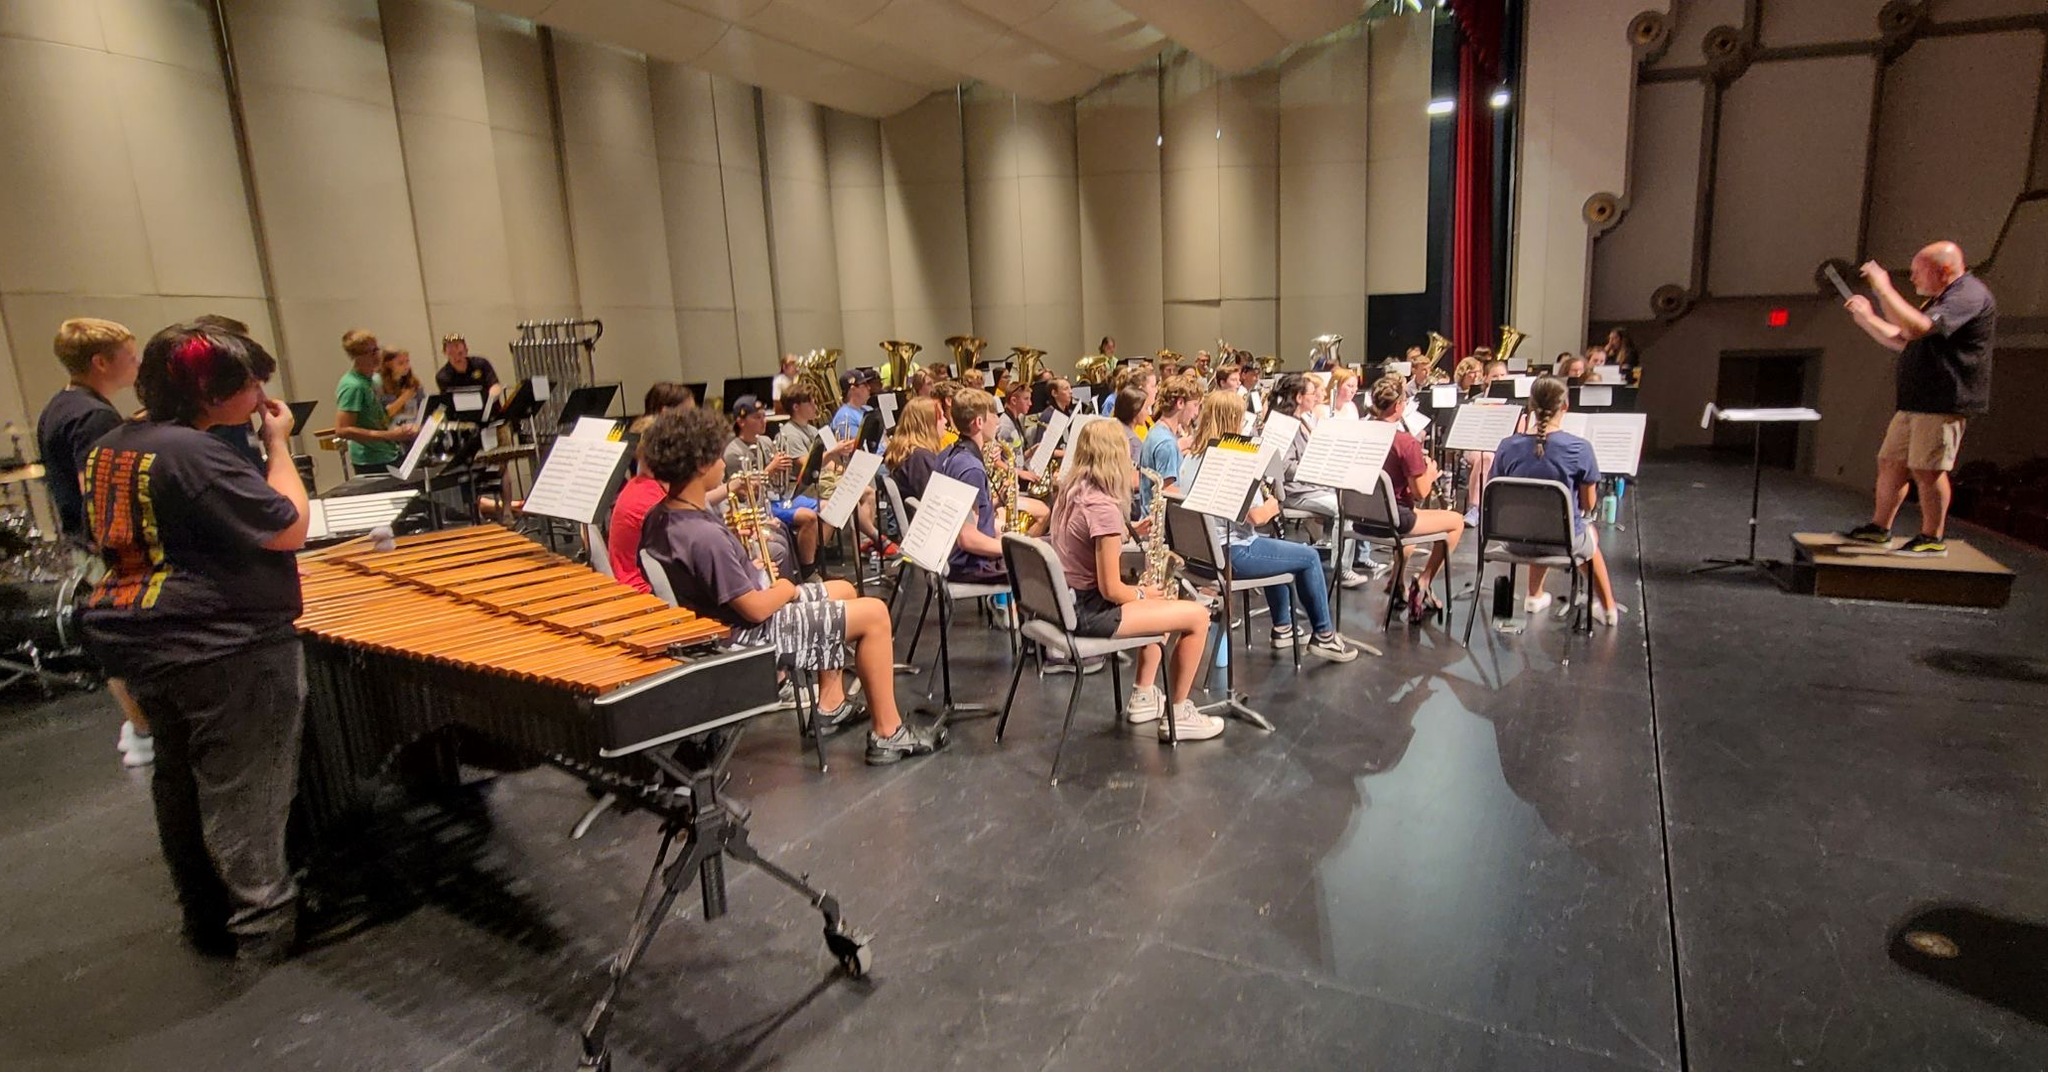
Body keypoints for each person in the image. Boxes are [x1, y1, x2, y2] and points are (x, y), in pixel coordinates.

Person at [81, 321, 311, 963]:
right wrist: (277, 446)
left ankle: (205, 918)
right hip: (224, 644)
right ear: (209, 393)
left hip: (148, 638)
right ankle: (265, 925)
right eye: (250, 382)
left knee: (180, 785)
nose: (262, 390)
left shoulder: (112, 445)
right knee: (248, 792)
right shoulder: (194, 453)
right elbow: (288, 527)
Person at [638, 408, 945, 765]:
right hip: (746, 633)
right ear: (702, 465)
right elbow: (754, 608)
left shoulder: (661, 515)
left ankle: (831, 704)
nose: (724, 463)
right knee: (875, 614)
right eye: (718, 455)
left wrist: (745, 570)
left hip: (722, 620)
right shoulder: (703, 535)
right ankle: (888, 732)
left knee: (843, 590)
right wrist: (785, 587)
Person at [1049, 419, 1221, 741]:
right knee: (1198, 616)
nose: (1132, 461)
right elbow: (1111, 589)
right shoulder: (1103, 508)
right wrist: (1141, 594)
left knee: (1164, 600)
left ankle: (1144, 695)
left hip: (1069, 602)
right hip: (1091, 611)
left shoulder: (1071, 492)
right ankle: (1179, 714)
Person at [38, 318, 154, 767]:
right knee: (126, 642)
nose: (137, 362)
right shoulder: (93, 416)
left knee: (115, 640)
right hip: (106, 546)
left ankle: (140, 729)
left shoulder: (60, 406)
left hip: (83, 544)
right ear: (101, 362)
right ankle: (146, 731)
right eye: (130, 355)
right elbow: (99, 486)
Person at [1843, 241, 1996, 557]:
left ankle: (1931, 535)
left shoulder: (1967, 295)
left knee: (1928, 469)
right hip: (1917, 400)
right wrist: (1866, 318)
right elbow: (1904, 339)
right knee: (1891, 462)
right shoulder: (1940, 299)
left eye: (1917, 272)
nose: (1912, 279)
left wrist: (1883, 288)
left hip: (1942, 401)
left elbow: (1914, 329)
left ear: (1944, 270)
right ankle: (1879, 527)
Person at [1182, 391, 1356, 662]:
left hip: (1200, 558)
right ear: (1233, 420)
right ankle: (1324, 635)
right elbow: (1256, 517)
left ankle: (1284, 628)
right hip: (1232, 554)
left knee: (1279, 551)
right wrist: (1273, 503)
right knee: (1308, 557)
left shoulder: (1190, 458)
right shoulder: (1234, 456)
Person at [1490, 376, 1621, 625]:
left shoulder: (1507, 446)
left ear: (1530, 406)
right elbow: (1588, 505)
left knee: (1537, 524)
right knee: (1589, 535)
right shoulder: (1580, 448)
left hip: (1514, 541)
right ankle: (1608, 609)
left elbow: (1493, 492)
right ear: (1565, 407)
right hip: (1561, 543)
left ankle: (1534, 595)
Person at [1362, 375, 1464, 622]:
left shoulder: (1361, 433)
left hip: (1361, 517)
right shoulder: (1405, 442)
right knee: (1456, 521)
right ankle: (1425, 581)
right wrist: (1429, 472)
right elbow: (1421, 493)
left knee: (1408, 536)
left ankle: (1396, 583)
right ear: (1398, 406)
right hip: (1394, 519)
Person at [1262, 373, 1375, 589]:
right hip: (1295, 492)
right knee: (1345, 508)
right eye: (1312, 394)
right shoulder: (1285, 425)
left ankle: (1330, 551)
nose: (1316, 397)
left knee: (1350, 497)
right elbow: (1284, 468)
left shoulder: (1304, 419)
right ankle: (1342, 570)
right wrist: (1317, 470)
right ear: (1298, 397)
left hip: (1309, 486)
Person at [725, 396, 821, 578]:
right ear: (741, 421)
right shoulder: (734, 452)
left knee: (825, 507)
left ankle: (810, 565)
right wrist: (771, 469)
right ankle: (806, 573)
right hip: (756, 508)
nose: (764, 421)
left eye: (764, 416)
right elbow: (745, 493)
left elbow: (776, 482)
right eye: (757, 417)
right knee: (807, 518)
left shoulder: (765, 442)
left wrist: (782, 469)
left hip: (777, 498)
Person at [333, 329, 414, 475]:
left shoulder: (372, 380)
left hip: (387, 453)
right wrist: (390, 435)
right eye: (373, 351)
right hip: (371, 460)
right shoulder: (353, 385)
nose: (378, 354)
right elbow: (342, 429)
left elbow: (377, 417)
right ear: (359, 356)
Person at [1139, 373, 1202, 505]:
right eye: (1195, 405)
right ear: (1180, 403)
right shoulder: (1167, 443)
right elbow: (1167, 490)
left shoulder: (1156, 430)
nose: (1196, 413)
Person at [883, 396, 946, 502]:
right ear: (928, 424)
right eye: (941, 417)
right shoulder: (920, 458)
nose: (945, 421)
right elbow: (932, 501)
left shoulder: (907, 451)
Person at [434, 332, 501, 404]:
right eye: (451, 354)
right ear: (445, 353)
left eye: (460, 353)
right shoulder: (442, 376)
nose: (456, 358)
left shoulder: (481, 364)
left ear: (466, 350)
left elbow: (495, 386)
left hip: (489, 409)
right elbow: (447, 401)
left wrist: (490, 400)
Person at [379, 348, 424, 429]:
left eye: (407, 361)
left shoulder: (413, 382)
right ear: (388, 365)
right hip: (392, 429)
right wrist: (404, 398)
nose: (406, 366)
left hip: (413, 424)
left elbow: (423, 405)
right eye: (401, 363)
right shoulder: (380, 384)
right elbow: (386, 414)